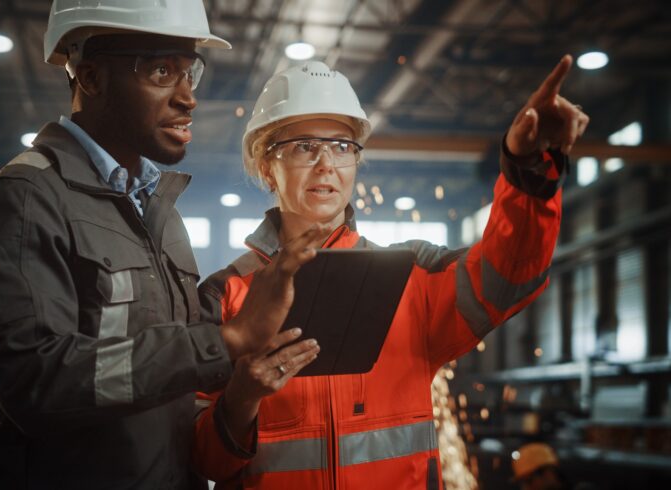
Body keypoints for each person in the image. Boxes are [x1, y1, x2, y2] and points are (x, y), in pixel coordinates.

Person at [0, 1, 324, 489]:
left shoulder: (160, 211)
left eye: (190, 72)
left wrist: (245, 376)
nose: (187, 98)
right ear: (90, 77)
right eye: (160, 70)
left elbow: (172, 376)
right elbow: (33, 383)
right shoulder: (28, 197)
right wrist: (227, 341)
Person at [192, 58, 589, 489]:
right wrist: (241, 400)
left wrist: (529, 171)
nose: (326, 163)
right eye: (304, 146)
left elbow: (509, 273)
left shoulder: (410, 277)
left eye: (342, 146)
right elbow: (203, 460)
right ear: (268, 167)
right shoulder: (224, 296)